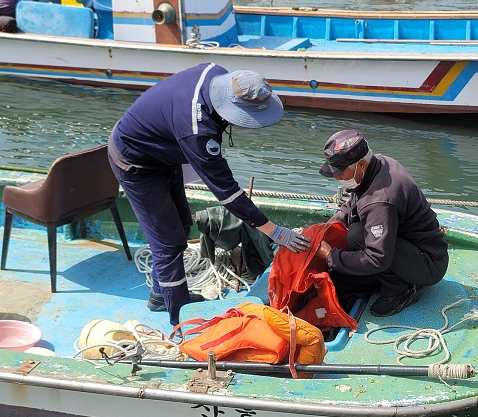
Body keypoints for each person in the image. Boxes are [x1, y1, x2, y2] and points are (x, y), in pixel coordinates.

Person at [108, 63, 310, 326]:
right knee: (167, 244)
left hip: (164, 152)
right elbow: (227, 193)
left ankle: (160, 294)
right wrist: (273, 230)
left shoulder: (215, 73)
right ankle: (181, 320)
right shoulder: (198, 132)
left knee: (181, 224)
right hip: (136, 163)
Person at [315, 129, 448, 317]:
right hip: (407, 247)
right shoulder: (377, 164)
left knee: (357, 235)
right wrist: (323, 230)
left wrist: (330, 257)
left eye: (340, 172)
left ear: (360, 164)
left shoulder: (380, 200)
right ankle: (391, 278)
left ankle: (400, 292)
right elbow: (351, 204)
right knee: (340, 281)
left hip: (428, 263)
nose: (337, 178)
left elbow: (378, 258)